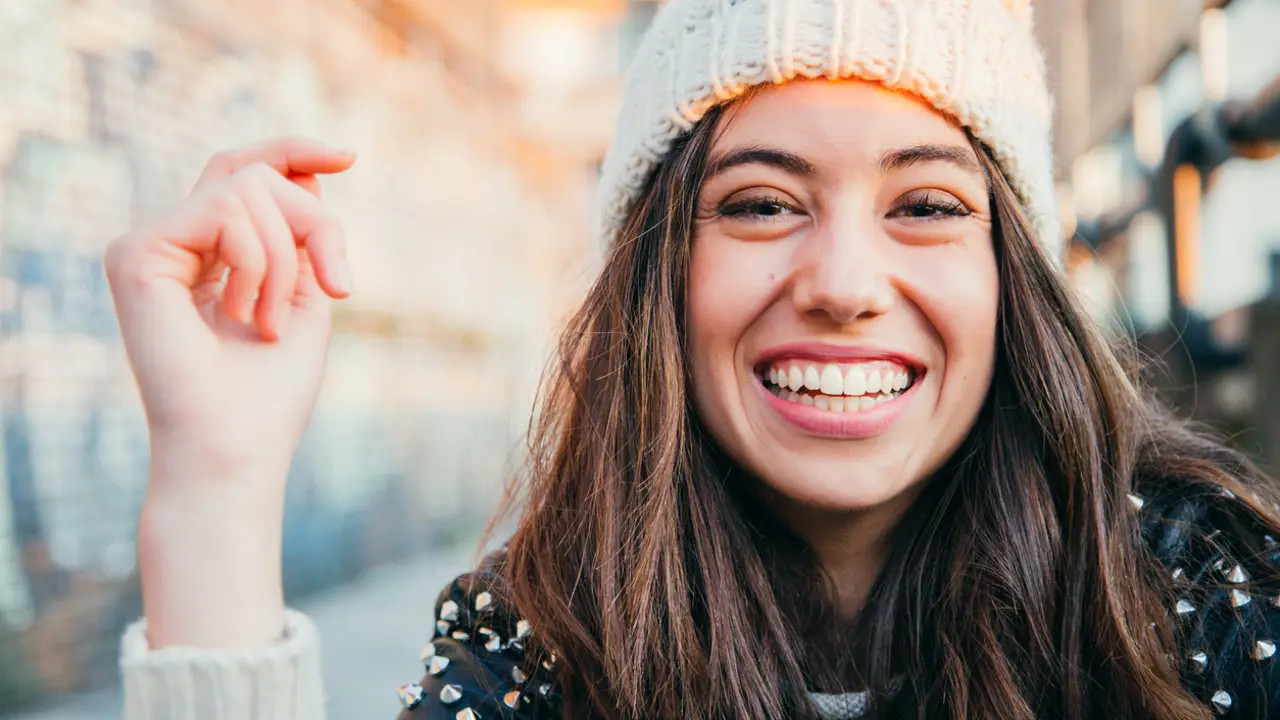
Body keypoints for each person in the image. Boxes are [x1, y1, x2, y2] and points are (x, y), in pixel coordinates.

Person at [104, 0, 1280, 718]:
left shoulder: (1198, 595)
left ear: (1010, 277)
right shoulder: (540, 642)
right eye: (761, 205)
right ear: (657, 274)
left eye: (925, 204)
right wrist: (216, 483)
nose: (842, 284)